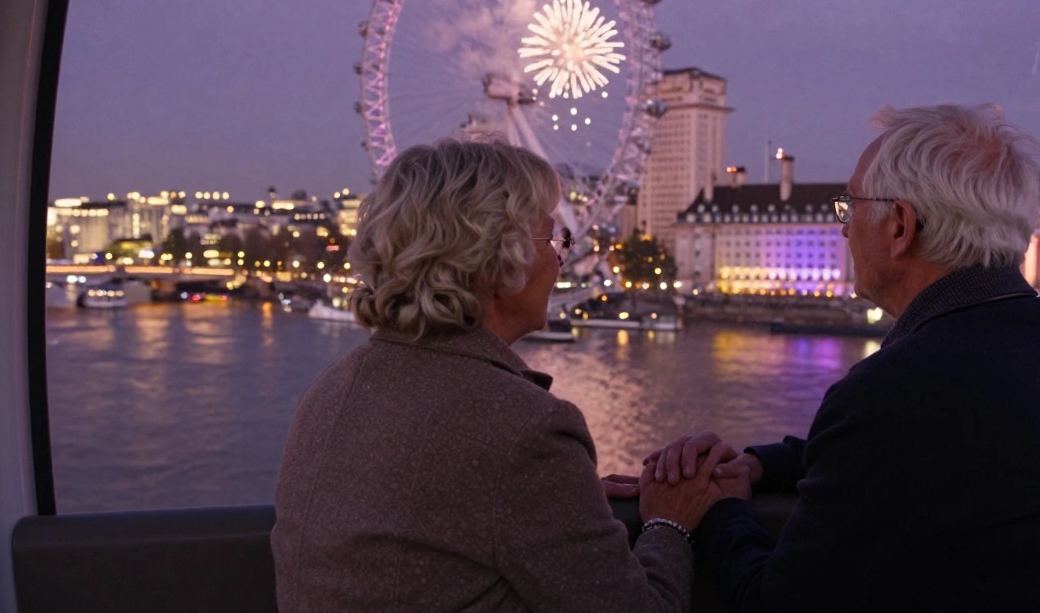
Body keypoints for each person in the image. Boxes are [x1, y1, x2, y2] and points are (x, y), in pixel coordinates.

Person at [646, 104, 1040, 611]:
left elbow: (774, 602)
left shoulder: (895, 389)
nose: (843, 229)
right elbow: (935, 450)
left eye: (850, 208)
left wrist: (718, 509)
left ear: (900, 226)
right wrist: (760, 465)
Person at [272, 138, 722, 612]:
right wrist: (671, 523)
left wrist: (566, 502)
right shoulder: (524, 432)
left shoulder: (328, 390)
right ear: (496, 260)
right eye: (553, 238)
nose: (560, 258)